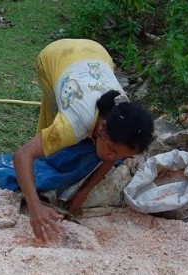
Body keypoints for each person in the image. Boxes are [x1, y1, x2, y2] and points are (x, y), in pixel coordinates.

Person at [13, 39, 154, 241]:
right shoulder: (73, 123)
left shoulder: (124, 112)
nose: (110, 157)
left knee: (95, 150)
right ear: (102, 126)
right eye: (111, 149)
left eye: (118, 155)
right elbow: (22, 155)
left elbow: (111, 157)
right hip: (54, 54)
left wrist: (83, 193)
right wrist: (35, 208)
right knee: (53, 142)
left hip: (98, 53)